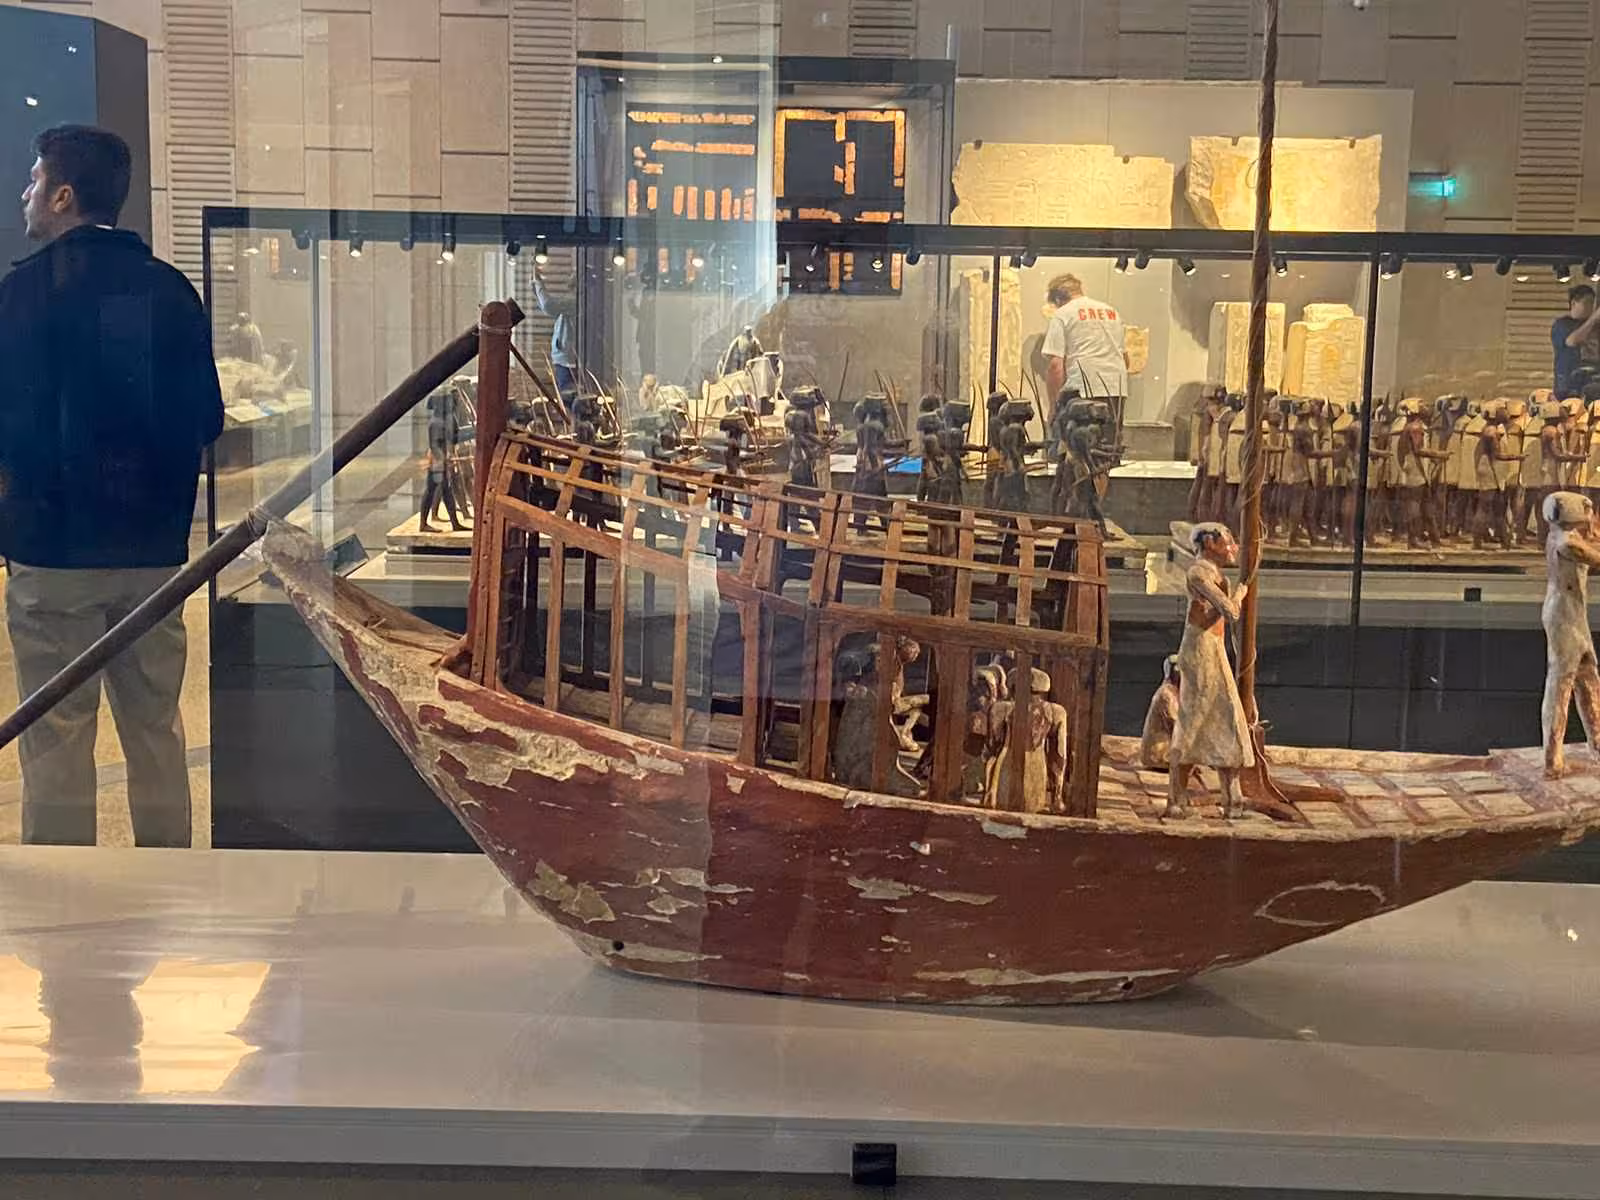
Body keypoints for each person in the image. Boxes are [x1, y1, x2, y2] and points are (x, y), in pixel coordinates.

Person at [0, 125, 223, 846]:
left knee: (56, 745)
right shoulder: (171, 292)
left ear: (64, 195)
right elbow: (207, 419)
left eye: (34, 180)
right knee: (156, 731)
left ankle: (71, 909)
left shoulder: (18, 296)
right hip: (153, 557)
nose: (26, 194)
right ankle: (168, 886)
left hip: (51, 553)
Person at [1166, 522, 1253, 820]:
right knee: (1194, 718)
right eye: (1228, 541)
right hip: (1199, 650)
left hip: (1212, 647)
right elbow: (1230, 611)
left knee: (1226, 715)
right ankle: (1176, 799)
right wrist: (1240, 593)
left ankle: (1233, 798)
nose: (1234, 547)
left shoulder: (1215, 575)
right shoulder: (1199, 573)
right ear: (1209, 543)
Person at [1539, 491, 1600, 778]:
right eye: (1585, 506)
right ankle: (1553, 759)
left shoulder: (1563, 537)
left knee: (1588, 677)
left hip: (1571, 614)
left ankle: (1597, 741)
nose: (1589, 508)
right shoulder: (1566, 542)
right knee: (1561, 685)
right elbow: (1595, 557)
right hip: (1563, 616)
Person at [1041, 273, 1128, 413]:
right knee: (1110, 434)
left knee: (1080, 434)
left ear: (1057, 299)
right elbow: (1125, 359)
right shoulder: (1112, 312)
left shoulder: (1062, 314)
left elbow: (1055, 366)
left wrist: (1053, 407)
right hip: (1116, 389)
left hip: (1081, 390)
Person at [532, 263, 579, 402]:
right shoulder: (571, 299)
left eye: (574, 273)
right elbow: (548, 307)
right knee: (568, 398)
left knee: (568, 398)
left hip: (567, 360)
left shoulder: (574, 300)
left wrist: (538, 283)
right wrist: (537, 287)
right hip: (566, 358)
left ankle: (574, 422)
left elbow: (549, 306)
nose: (570, 276)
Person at [1554, 285, 1600, 400]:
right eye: (1587, 302)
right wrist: (1593, 318)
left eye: (1592, 303)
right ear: (1574, 303)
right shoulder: (1562, 324)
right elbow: (1572, 341)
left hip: (1593, 383)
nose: (1591, 307)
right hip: (1568, 386)